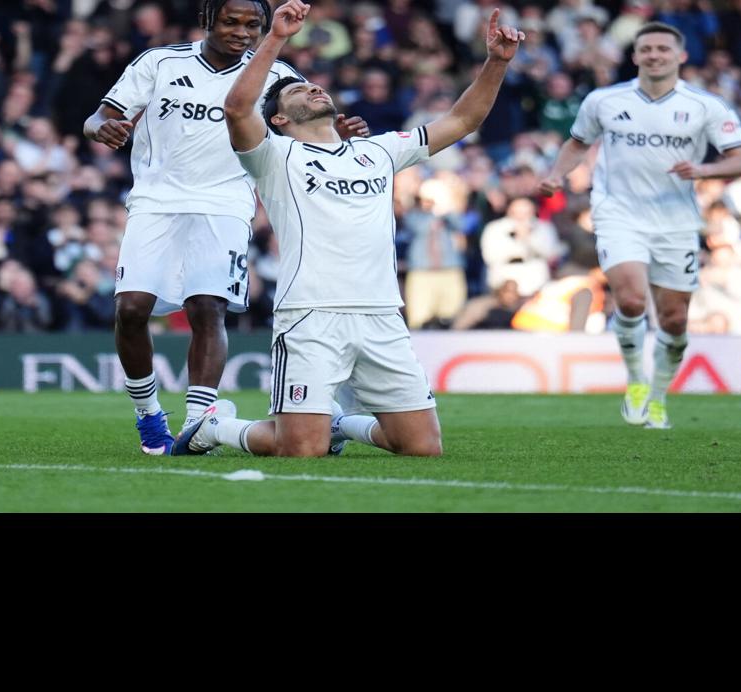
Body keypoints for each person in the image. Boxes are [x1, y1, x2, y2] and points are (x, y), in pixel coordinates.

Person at [173, 0, 525, 457]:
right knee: (301, 451)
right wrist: (276, 37)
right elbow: (238, 109)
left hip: (382, 313)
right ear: (278, 119)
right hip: (311, 314)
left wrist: (495, 62)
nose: (312, 89)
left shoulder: (379, 150)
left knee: (421, 448)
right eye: (297, 93)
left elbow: (462, 120)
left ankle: (340, 423)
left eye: (315, 86)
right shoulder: (274, 157)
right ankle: (214, 426)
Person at [81, 0, 368, 454]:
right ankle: (148, 414)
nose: (243, 32)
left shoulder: (276, 73)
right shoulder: (160, 61)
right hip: (156, 200)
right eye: (231, 22)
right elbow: (99, 116)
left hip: (227, 202)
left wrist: (341, 131)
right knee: (132, 309)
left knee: (207, 307)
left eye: (253, 24)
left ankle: (199, 422)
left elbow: (305, 123)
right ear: (207, 21)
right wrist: (102, 128)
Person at [535, 22, 741, 429]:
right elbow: (578, 143)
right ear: (634, 56)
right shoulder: (604, 100)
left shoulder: (706, 105)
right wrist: (557, 174)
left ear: (681, 56)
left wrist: (703, 169)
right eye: (646, 49)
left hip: (677, 222)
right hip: (619, 214)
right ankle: (636, 380)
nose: (654, 55)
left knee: (673, 320)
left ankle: (658, 396)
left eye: (662, 49)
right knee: (631, 301)